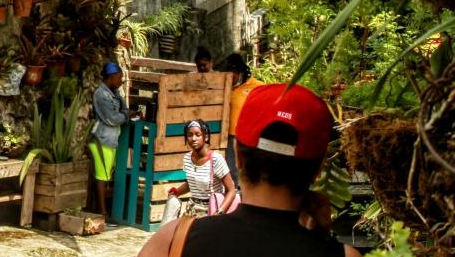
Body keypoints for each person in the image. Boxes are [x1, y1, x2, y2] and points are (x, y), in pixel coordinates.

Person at [139, 84, 359, 257]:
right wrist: (322, 239)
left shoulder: (173, 240)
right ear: (319, 168)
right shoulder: (345, 255)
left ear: (239, 157)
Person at [89, 61, 138, 222]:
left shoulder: (115, 92)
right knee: (101, 175)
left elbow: (123, 109)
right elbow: (112, 118)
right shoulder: (100, 94)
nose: (121, 81)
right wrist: (126, 116)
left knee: (105, 174)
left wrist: (124, 113)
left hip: (111, 139)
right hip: (102, 138)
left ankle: (100, 208)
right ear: (111, 77)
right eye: (119, 78)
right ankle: (102, 212)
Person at [162, 119, 236, 221]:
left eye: (198, 134)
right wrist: (177, 192)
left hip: (211, 211)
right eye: (190, 135)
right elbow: (192, 183)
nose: (193, 138)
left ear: (205, 137)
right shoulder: (187, 158)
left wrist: (219, 213)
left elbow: (231, 190)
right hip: (191, 211)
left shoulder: (216, 159)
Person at [219, 53, 263, 189]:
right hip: (230, 137)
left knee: (247, 171)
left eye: (233, 75)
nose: (231, 79)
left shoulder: (258, 87)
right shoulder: (226, 88)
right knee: (231, 170)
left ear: (241, 72)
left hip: (249, 137)